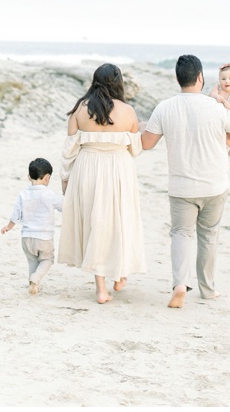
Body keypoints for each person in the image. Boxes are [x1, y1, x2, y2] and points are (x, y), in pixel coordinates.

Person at [141, 54, 230, 309]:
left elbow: (147, 143)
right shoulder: (215, 107)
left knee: (181, 233)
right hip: (215, 185)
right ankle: (208, 289)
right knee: (209, 235)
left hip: (181, 188)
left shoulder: (165, 107)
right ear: (200, 78)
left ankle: (180, 284)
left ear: (178, 79)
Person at [57, 63, 146, 304]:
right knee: (121, 220)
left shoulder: (80, 109)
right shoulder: (128, 111)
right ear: (118, 83)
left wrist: (65, 180)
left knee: (96, 224)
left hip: (88, 168)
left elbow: (68, 152)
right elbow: (136, 148)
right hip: (119, 169)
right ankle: (120, 275)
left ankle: (101, 289)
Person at [0, 158, 63, 295]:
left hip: (27, 237)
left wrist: (9, 226)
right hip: (44, 237)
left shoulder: (23, 194)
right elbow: (63, 207)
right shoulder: (49, 194)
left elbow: (16, 213)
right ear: (47, 178)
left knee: (32, 261)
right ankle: (36, 278)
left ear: (29, 176)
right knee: (47, 259)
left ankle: (33, 284)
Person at [209, 62, 230, 156]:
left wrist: (229, 106)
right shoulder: (218, 87)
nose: (227, 81)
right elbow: (211, 94)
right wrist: (216, 96)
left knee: (226, 134)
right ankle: (223, 146)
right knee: (216, 132)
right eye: (223, 79)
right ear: (219, 79)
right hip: (218, 114)